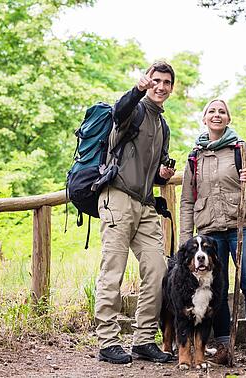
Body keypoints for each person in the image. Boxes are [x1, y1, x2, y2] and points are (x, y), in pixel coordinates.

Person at [178, 99, 246, 365]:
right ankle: (222, 346)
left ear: (228, 119)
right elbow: (187, 200)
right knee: (217, 289)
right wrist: (186, 239)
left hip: (242, 225)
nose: (216, 115)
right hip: (208, 233)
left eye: (222, 112)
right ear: (204, 118)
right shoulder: (195, 156)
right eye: (212, 111)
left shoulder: (240, 149)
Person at [95, 61, 176, 364]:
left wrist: (163, 174)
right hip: (116, 198)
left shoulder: (162, 125)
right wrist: (136, 90)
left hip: (145, 205)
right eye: (156, 80)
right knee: (112, 270)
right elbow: (119, 113)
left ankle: (143, 339)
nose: (161, 86)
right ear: (147, 81)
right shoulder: (136, 109)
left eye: (166, 82)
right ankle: (107, 342)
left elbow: (153, 173)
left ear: (171, 87)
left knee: (158, 268)